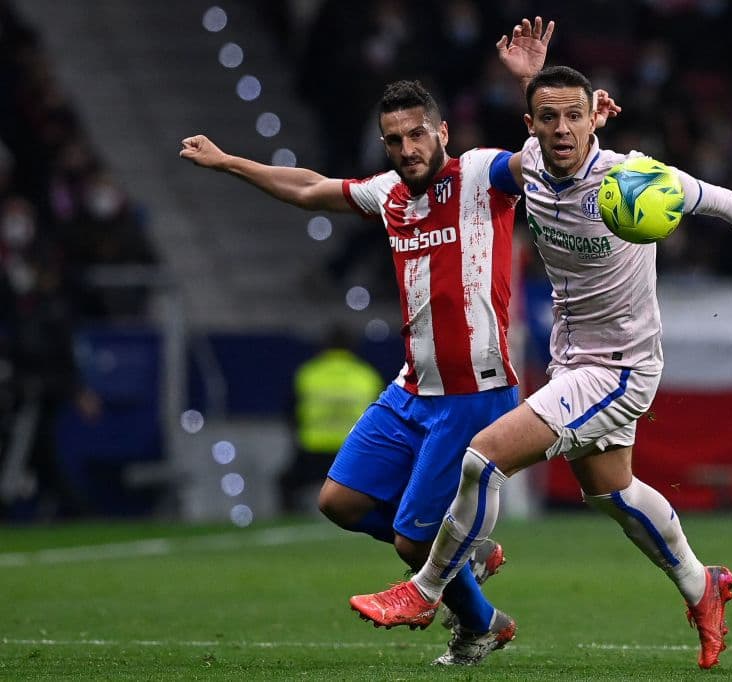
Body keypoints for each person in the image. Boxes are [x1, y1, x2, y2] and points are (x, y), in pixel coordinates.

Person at [350, 21, 732, 671]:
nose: (563, 129)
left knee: (481, 460)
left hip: (622, 366)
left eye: (576, 117)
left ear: (595, 122)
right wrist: (535, 80)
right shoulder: (531, 166)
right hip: (575, 357)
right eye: (550, 118)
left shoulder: (632, 181)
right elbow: (549, 112)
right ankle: (700, 583)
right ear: (533, 123)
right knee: (610, 491)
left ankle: (426, 591)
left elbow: (723, 202)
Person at [181, 39, 621, 665]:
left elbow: (545, 164)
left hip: (474, 392)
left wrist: (563, 112)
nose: (408, 150)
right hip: (413, 388)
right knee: (339, 501)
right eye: (395, 140)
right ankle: (465, 552)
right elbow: (309, 189)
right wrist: (229, 163)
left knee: (414, 545)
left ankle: (482, 624)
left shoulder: (481, 173)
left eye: (417, 135)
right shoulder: (389, 193)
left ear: (441, 131)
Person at [279, 324, 384, 514]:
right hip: (353, 453)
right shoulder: (367, 375)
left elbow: (291, 412)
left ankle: (290, 518)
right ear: (353, 347)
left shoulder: (308, 373)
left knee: (285, 484)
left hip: (313, 452)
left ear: (323, 346)